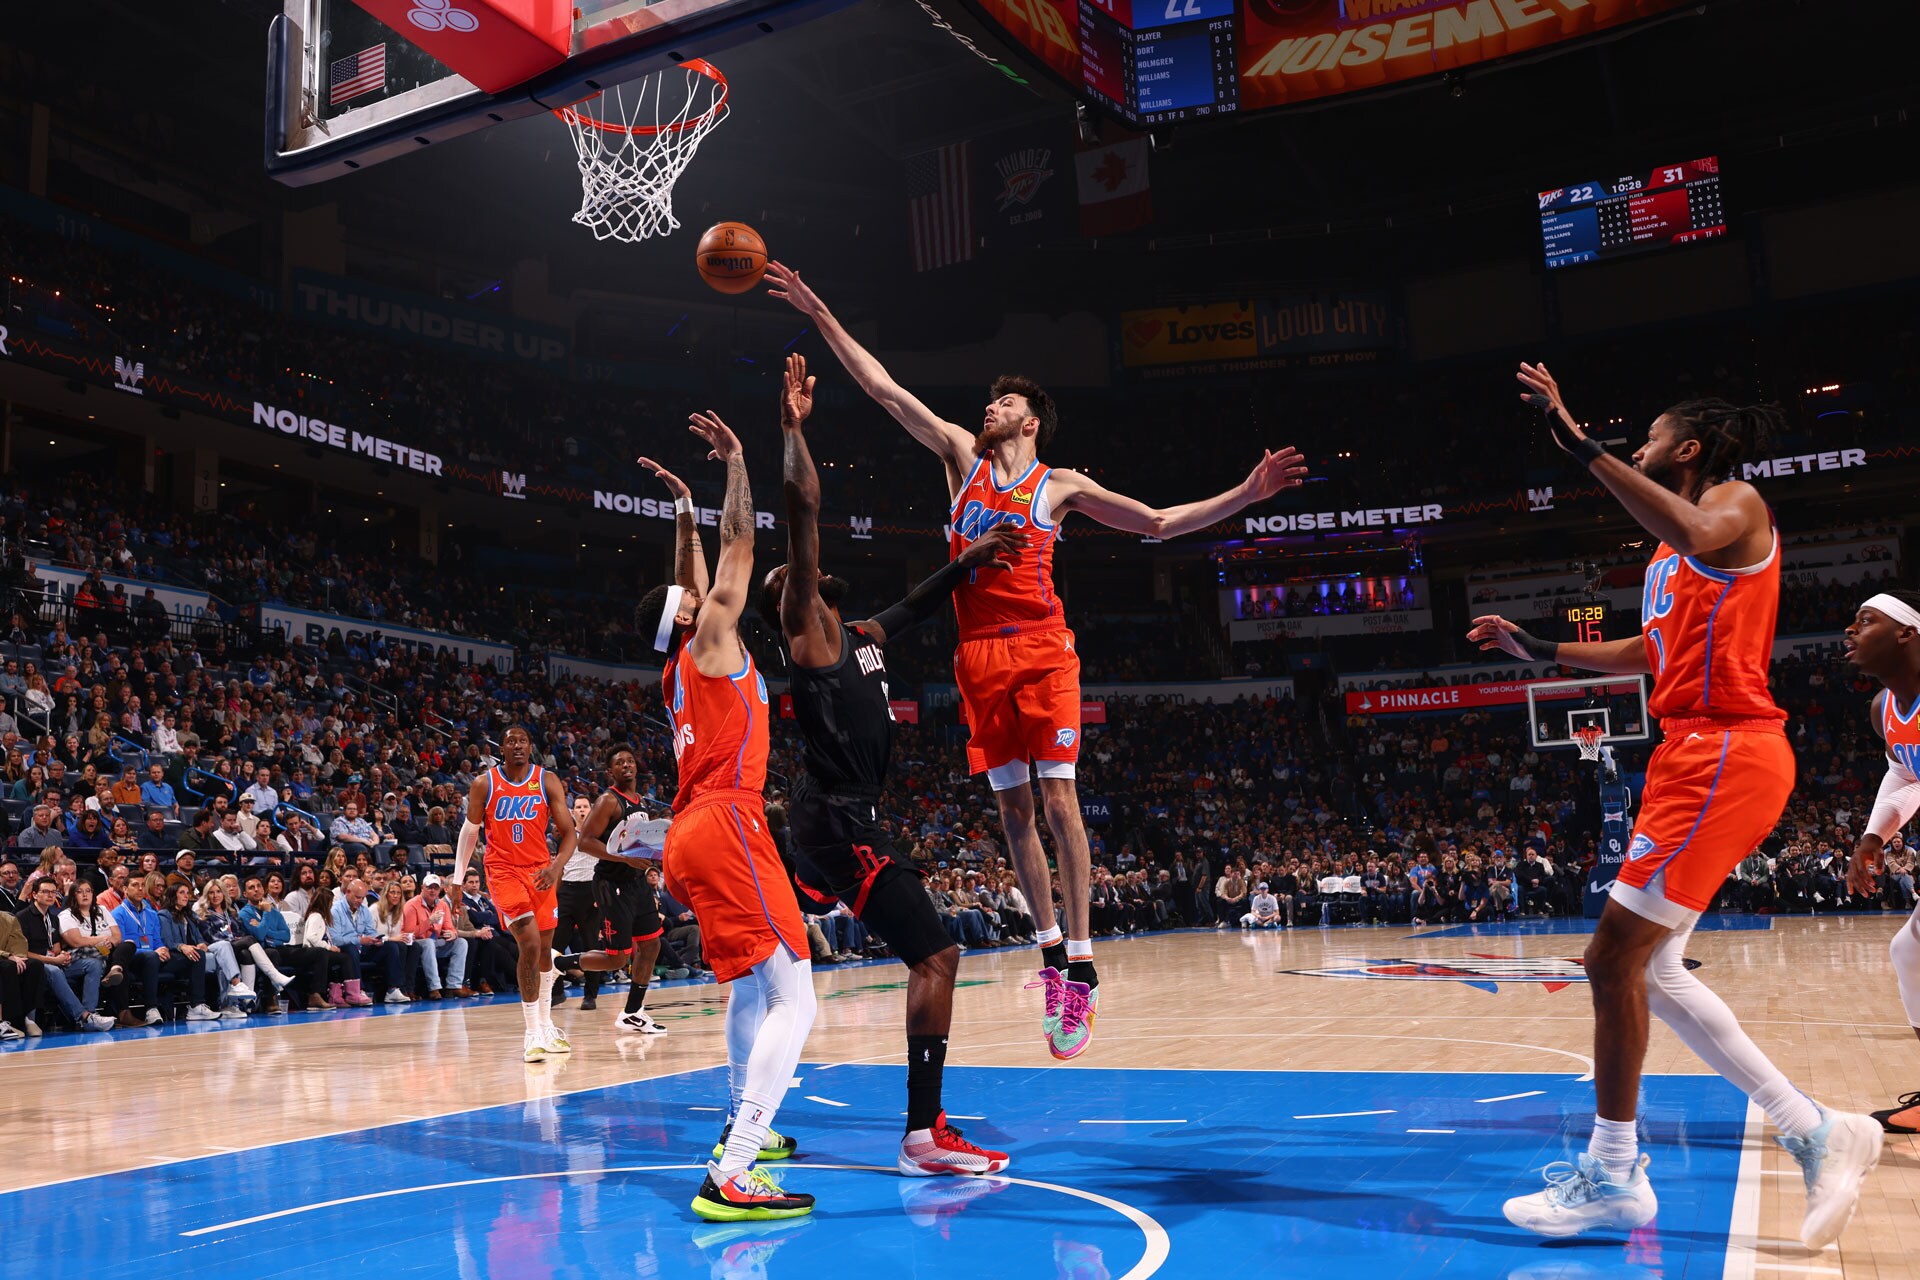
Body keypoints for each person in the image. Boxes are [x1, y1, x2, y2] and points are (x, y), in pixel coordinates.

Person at [768, 262, 1307, 1059]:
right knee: (1014, 814)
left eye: (1005, 402)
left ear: (1030, 422)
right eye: (991, 400)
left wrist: (1245, 494)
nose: (990, 406)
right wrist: (819, 309)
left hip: (1044, 649)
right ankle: (1049, 949)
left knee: (1060, 802)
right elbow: (883, 389)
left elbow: (1158, 523)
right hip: (978, 656)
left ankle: (1081, 965)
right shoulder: (959, 457)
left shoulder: (1059, 486)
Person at [1472, 369, 1878, 1248]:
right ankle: (1814, 1129)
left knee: (1610, 959)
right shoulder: (1668, 556)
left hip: (1726, 750)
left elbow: (1690, 527)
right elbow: (1651, 650)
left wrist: (1581, 443)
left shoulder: (1735, 505)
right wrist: (1542, 646)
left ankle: (1617, 1172)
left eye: (1652, 436)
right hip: (1690, 752)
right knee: (1651, 970)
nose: (1640, 445)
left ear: (1688, 449)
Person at [750, 351, 1015, 1173]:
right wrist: (793, 432)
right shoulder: (809, 630)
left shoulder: (859, 634)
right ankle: (923, 1134)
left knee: (932, 951)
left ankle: (924, 1128)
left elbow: (916, 604)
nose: (803, 573)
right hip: (836, 816)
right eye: (791, 577)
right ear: (790, 598)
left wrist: (967, 562)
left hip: (845, 815)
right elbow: (802, 509)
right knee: (936, 955)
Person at [632, 404, 816, 1221]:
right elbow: (739, 543)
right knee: (796, 998)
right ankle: (734, 1170)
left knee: (750, 987)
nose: (703, 595)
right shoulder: (710, 635)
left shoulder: (679, 662)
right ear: (688, 613)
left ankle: (743, 1127)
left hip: (689, 834)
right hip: (727, 822)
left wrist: (682, 507)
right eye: (692, 597)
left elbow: (699, 573)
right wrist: (738, 460)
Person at [1840, 589, 1920, 1135]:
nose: (1850, 630)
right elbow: (1906, 774)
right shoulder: (1883, 710)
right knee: (1909, 950)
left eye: (1865, 620)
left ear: (1907, 633)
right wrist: (1872, 837)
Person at [452, 724, 575, 1061]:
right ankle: (531, 1032)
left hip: (541, 872)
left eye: (523, 741)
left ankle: (546, 1024)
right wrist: (458, 879)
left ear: (530, 746)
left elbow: (569, 833)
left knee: (546, 950)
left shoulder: (547, 781)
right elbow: (469, 832)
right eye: (511, 741)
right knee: (530, 943)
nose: (517, 745)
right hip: (503, 871)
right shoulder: (485, 783)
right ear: (501, 748)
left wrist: (556, 867)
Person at [569, 744, 669, 1029]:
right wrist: (626, 858)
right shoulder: (608, 801)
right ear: (610, 771)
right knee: (617, 959)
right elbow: (585, 842)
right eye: (619, 762)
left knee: (651, 944)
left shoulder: (641, 801)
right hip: (611, 885)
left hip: (636, 883)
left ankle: (632, 1012)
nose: (626, 765)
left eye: (630, 761)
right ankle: (560, 965)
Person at [17, 875, 110, 1030]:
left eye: (53, 892)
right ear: (34, 895)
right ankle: (83, 1017)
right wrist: (53, 960)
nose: (50, 895)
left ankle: (91, 1012)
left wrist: (62, 955)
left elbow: (56, 947)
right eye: (45, 892)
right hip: (34, 967)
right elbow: (22, 953)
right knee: (53, 970)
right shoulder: (22, 917)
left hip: (54, 962)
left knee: (93, 963)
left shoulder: (53, 918)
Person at [107, 871, 168, 1025]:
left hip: (152, 957)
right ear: (125, 889)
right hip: (131, 959)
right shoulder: (117, 914)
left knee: (194, 957)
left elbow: (157, 940)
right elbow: (122, 946)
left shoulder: (152, 914)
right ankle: (151, 1008)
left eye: (142, 885)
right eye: (135, 885)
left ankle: (197, 1004)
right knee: (151, 956)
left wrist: (162, 949)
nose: (140, 889)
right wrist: (153, 952)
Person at [403, 875, 470, 1000]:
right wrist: (429, 921)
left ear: (440, 890)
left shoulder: (442, 905)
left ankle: (453, 986)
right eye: (429, 887)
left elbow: (449, 927)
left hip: (435, 942)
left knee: (461, 942)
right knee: (428, 943)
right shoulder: (411, 905)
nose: (432, 890)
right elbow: (409, 933)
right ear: (422, 888)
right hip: (416, 944)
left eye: (436, 888)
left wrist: (452, 933)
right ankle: (434, 988)